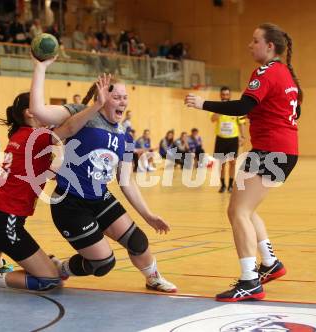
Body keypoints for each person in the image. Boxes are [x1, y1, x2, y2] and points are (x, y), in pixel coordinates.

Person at [0, 57, 112, 292]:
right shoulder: (37, 137)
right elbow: (71, 127)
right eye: (38, 106)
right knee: (50, 280)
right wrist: (95, 107)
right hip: (4, 217)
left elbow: (37, 169)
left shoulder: (20, 135)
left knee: (3, 237)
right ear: (30, 113)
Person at [185, 23, 301, 302]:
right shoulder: (285, 73)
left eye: (255, 41)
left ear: (269, 46)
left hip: (271, 150)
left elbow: (241, 107)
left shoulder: (266, 71)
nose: (250, 45)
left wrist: (203, 104)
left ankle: (250, 280)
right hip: (279, 149)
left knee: (237, 211)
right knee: (245, 209)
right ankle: (270, 263)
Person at [30, 72, 177, 293]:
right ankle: (60, 267)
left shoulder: (125, 137)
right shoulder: (82, 114)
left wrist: (148, 215)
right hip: (70, 203)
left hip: (100, 198)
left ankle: (152, 277)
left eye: (125, 97)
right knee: (102, 264)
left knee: (138, 241)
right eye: (117, 97)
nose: (123, 101)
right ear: (102, 97)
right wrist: (40, 66)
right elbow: (39, 111)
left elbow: (126, 181)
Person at [211, 87, 246, 193]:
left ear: (230, 95)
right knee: (222, 164)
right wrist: (221, 109)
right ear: (220, 95)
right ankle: (222, 185)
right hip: (221, 139)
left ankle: (230, 185)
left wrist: (243, 136)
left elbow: (241, 123)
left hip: (233, 140)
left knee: (232, 163)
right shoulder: (216, 106)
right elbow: (213, 119)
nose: (225, 96)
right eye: (223, 94)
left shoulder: (235, 107)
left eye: (227, 94)